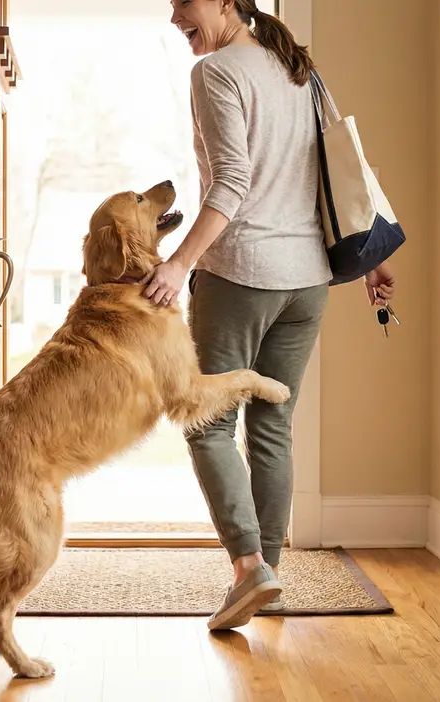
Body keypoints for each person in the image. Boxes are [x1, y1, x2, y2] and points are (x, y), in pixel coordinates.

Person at [145, 0, 396, 630]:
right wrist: (371, 261)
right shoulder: (297, 67)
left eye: (183, 3)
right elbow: (345, 169)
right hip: (308, 281)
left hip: (242, 275)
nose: (175, 18)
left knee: (207, 423)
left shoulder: (216, 72)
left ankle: (249, 569)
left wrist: (178, 264)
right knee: (272, 426)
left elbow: (231, 182)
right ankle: (268, 579)